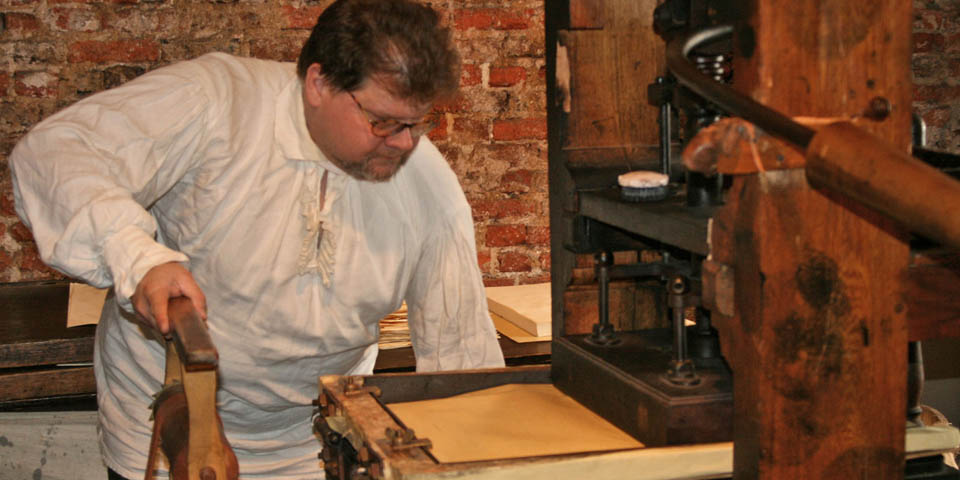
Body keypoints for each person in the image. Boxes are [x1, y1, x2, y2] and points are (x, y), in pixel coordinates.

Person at [8, 0, 505, 477]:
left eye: (419, 123)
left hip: (318, 439)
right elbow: (55, 154)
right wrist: (137, 256)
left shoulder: (428, 188)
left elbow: (464, 359)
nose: (404, 143)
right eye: (382, 121)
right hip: (168, 418)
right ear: (318, 83)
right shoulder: (215, 101)